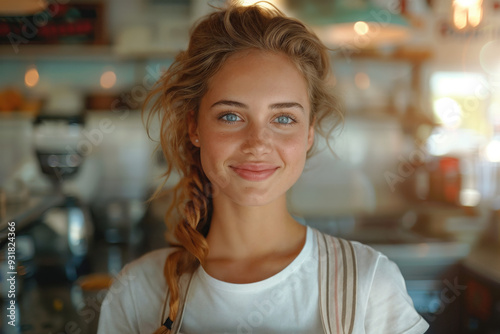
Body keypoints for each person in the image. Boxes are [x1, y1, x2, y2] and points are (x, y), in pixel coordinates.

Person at [97, 2, 429, 334]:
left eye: (283, 118)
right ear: (194, 127)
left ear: (309, 132)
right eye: (231, 116)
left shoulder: (369, 284)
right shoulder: (136, 292)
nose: (257, 143)